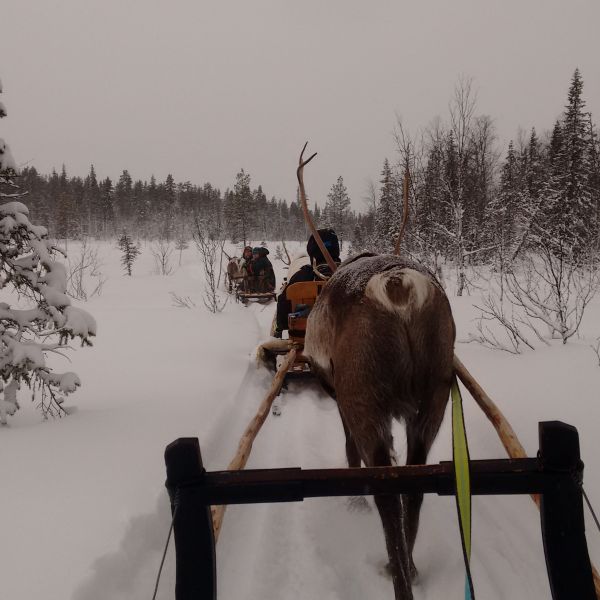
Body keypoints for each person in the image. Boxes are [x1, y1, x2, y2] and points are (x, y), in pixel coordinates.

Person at [274, 228, 340, 337]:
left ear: (312, 251)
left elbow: (283, 302)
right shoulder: (348, 276)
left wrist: (280, 328)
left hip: (305, 337)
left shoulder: (301, 276)